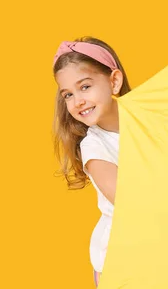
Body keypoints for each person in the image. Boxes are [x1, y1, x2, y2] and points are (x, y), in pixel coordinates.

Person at [52, 36, 132, 287]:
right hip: (119, 257)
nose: (77, 101)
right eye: (68, 95)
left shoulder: (148, 124)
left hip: (164, 239)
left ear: (114, 81)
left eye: (85, 87)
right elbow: (127, 198)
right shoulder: (94, 146)